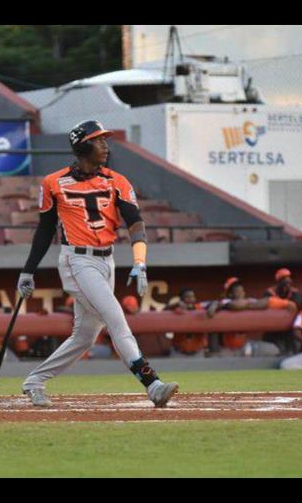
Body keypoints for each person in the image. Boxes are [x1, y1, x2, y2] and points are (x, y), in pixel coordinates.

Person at [15, 120, 179, 408]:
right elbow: (44, 230)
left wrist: (140, 262)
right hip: (76, 260)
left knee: (85, 337)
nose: (105, 146)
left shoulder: (117, 180)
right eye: (98, 140)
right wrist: (28, 270)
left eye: (105, 140)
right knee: (115, 317)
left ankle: (34, 381)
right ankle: (151, 383)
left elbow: (136, 224)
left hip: (107, 260)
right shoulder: (53, 182)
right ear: (82, 146)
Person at [208, 277, 294, 357]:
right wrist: (249, 305)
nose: (241, 293)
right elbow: (235, 305)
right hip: (227, 349)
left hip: (244, 345)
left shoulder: (248, 301)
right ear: (230, 294)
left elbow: (266, 301)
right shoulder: (224, 303)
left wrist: (285, 303)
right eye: (237, 291)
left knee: (273, 349)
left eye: (242, 290)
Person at [262, 268, 302, 355]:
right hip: (273, 327)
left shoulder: (295, 293)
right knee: (271, 349)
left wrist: (278, 304)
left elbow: (294, 307)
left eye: (289, 281)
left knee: (294, 349)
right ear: (278, 282)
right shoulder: (269, 292)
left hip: (290, 327)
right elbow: (268, 303)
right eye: (284, 281)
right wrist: (286, 304)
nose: (287, 284)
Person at [166, 288, 208, 358]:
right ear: (181, 300)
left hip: (197, 352)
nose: (191, 299)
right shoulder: (176, 309)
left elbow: (214, 304)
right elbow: (164, 310)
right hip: (178, 352)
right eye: (187, 297)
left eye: (192, 297)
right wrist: (176, 305)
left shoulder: (199, 308)